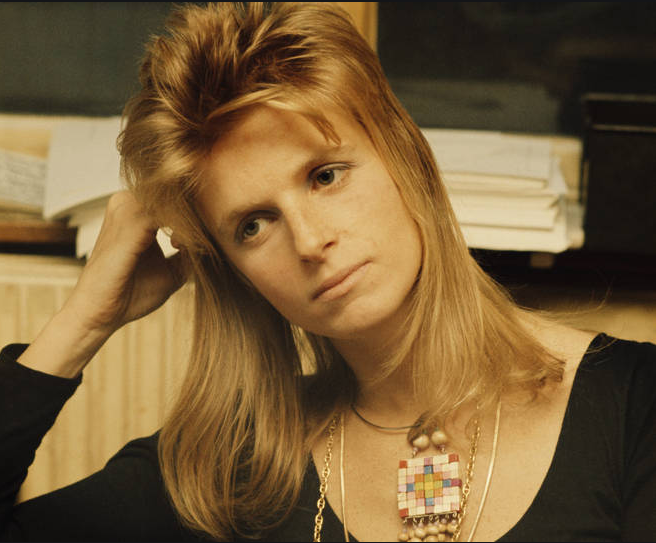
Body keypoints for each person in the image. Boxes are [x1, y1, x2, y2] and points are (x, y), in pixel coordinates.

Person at [1, 2, 655, 542]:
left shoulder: (634, 408)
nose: (311, 242)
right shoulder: (227, 472)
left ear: (406, 155)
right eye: (253, 224)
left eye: (325, 176)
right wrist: (81, 322)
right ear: (233, 270)